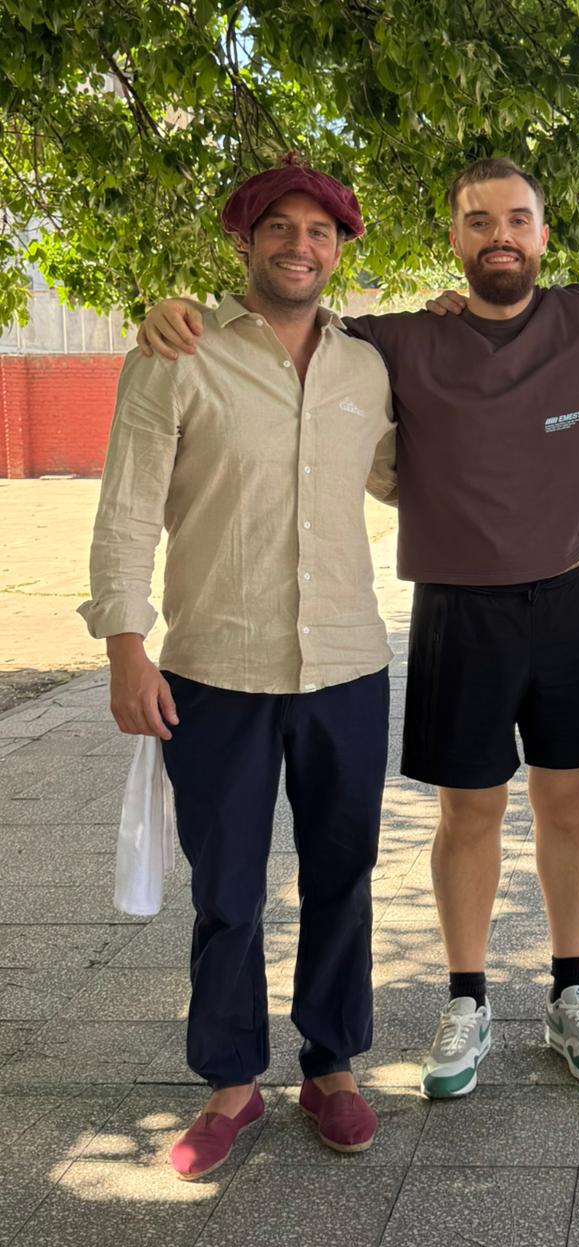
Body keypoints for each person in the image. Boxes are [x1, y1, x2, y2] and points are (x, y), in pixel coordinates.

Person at [137, 157, 579, 1099]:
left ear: (543, 234)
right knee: (468, 813)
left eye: (517, 219)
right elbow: (285, 330)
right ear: (454, 238)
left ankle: (572, 991)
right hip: (455, 608)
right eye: (478, 221)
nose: (499, 237)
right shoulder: (396, 339)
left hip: (571, 601)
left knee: (571, 806)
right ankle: (468, 999)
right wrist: (170, 311)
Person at [81, 156, 397, 1178]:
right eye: (280, 227)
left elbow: (408, 472)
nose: (299, 244)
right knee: (228, 886)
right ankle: (229, 1081)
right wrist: (127, 646)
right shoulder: (176, 353)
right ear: (244, 240)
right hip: (216, 662)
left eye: (320, 230)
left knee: (342, 872)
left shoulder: (369, 366)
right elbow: (126, 508)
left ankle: (332, 1064)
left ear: (341, 248)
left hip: (346, 661)